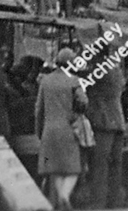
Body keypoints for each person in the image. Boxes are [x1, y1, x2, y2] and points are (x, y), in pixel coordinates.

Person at [36, 48, 88, 211]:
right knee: (73, 168)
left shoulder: (45, 80)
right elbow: (84, 102)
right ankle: (65, 196)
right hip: (68, 129)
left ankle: (61, 199)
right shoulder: (74, 81)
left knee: (55, 168)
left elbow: (39, 109)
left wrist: (39, 131)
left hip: (49, 130)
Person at [84, 50, 126, 209]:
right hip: (118, 121)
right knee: (115, 164)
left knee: (100, 164)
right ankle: (114, 201)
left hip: (104, 122)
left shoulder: (100, 70)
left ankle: (98, 203)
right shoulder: (116, 69)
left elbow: (83, 80)